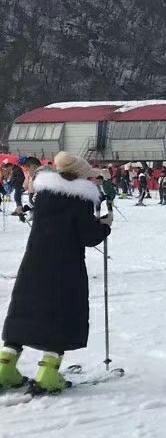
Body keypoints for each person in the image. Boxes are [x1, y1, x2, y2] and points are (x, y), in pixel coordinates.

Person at [0, 152, 113, 393]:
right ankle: (49, 373)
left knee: (25, 309)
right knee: (60, 313)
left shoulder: (45, 195)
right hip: (65, 266)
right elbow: (87, 236)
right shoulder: (80, 200)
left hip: (34, 261)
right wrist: (105, 226)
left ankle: (5, 368)